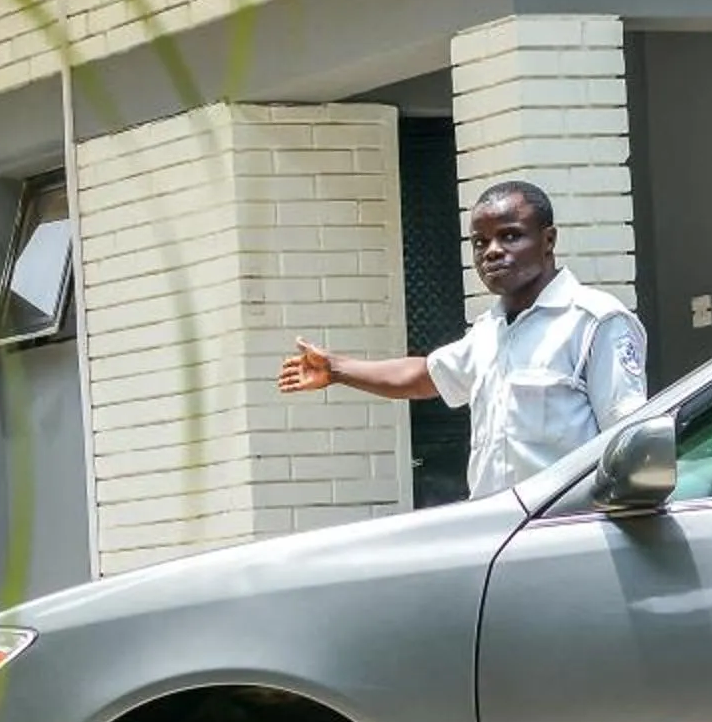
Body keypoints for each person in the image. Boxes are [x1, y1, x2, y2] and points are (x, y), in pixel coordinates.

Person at [276, 180, 648, 499]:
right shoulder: (490, 330)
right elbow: (425, 376)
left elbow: (630, 439)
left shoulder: (595, 321)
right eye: (479, 242)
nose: (492, 251)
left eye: (510, 236)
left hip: (566, 529)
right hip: (494, 532)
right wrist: (338, 369)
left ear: (548, 240)